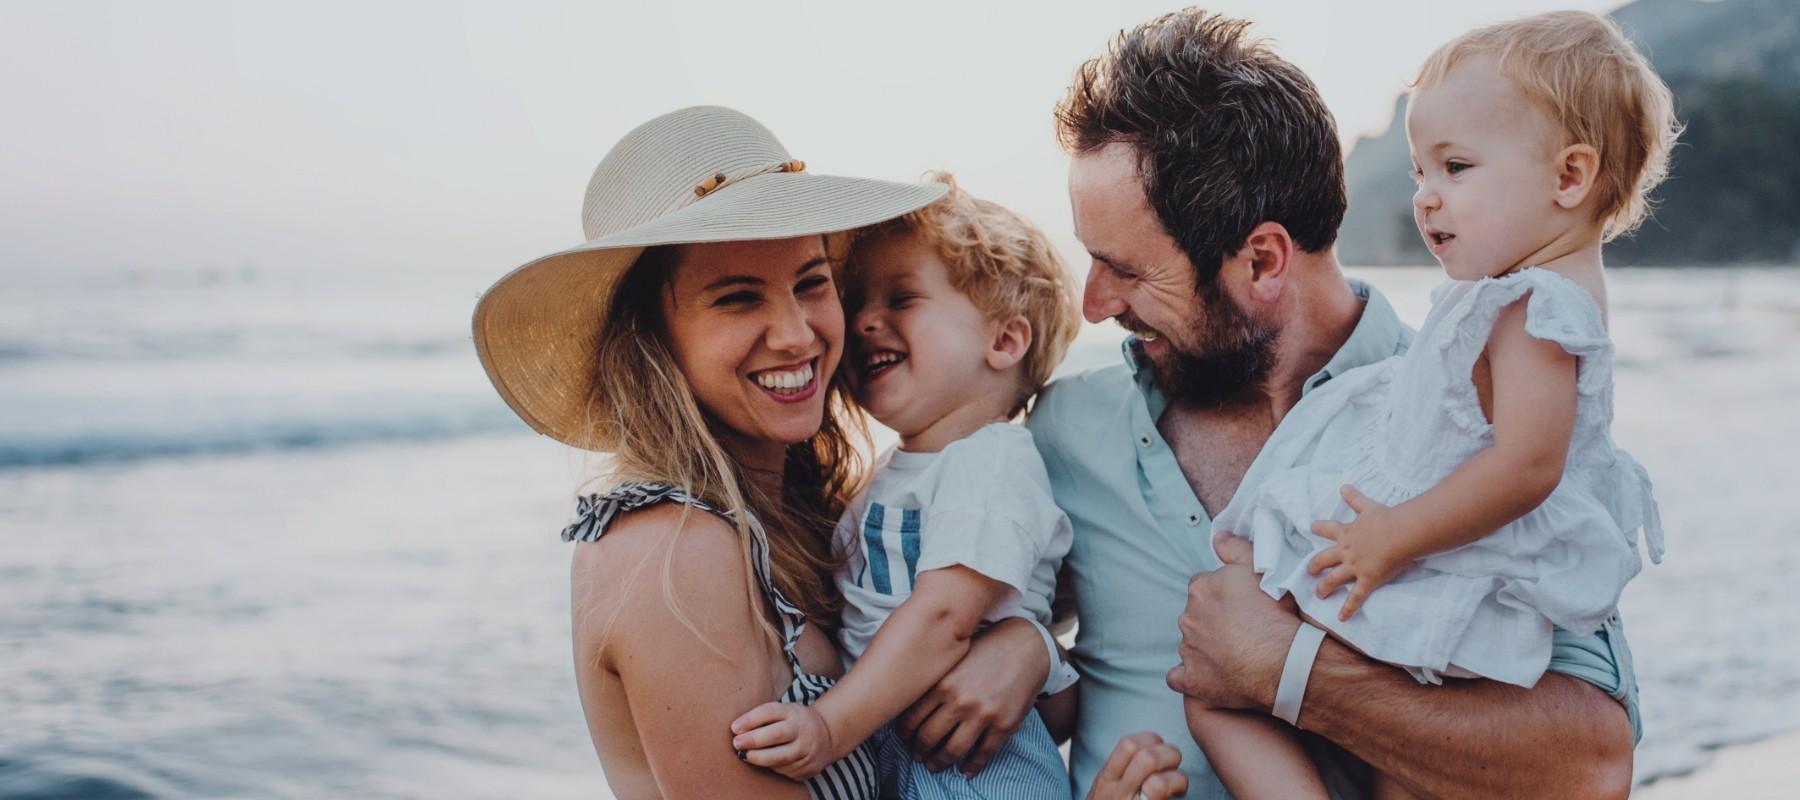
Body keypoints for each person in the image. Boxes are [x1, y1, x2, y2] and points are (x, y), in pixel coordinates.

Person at [922, 8, 1648, 798]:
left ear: (1263, 260)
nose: (1094, 304)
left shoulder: (1472, 414)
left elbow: (1592, 765)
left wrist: (1286, 669)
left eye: (1126, 269)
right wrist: (1025, 645)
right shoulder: (1060, 431)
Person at [1185, 11, 1675, 798]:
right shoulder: (1531, 293)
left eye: (1455, 167)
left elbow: (1527, 464)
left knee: (1215, 689)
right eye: (1419, 173)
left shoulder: (1534, 305)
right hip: (1466, 561)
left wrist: (1392, 539)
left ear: (1569, 177)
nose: (1427, 199)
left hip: (1452, 559)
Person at [470, 105, 947, 799]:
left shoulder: (805, 515)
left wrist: (1017, 652)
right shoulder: (672, 550)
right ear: (653, 340)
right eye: (736, 298)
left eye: (810, 282)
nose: (794, 334)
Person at [727, 173, 1083, 798]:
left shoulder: (989, 462)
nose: (864, 320)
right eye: (857, 299)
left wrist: (829, 729)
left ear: (1003, 340)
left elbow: (945, 616)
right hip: (899, 739)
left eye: (901, 298)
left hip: (976, 756)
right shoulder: (890, 477)